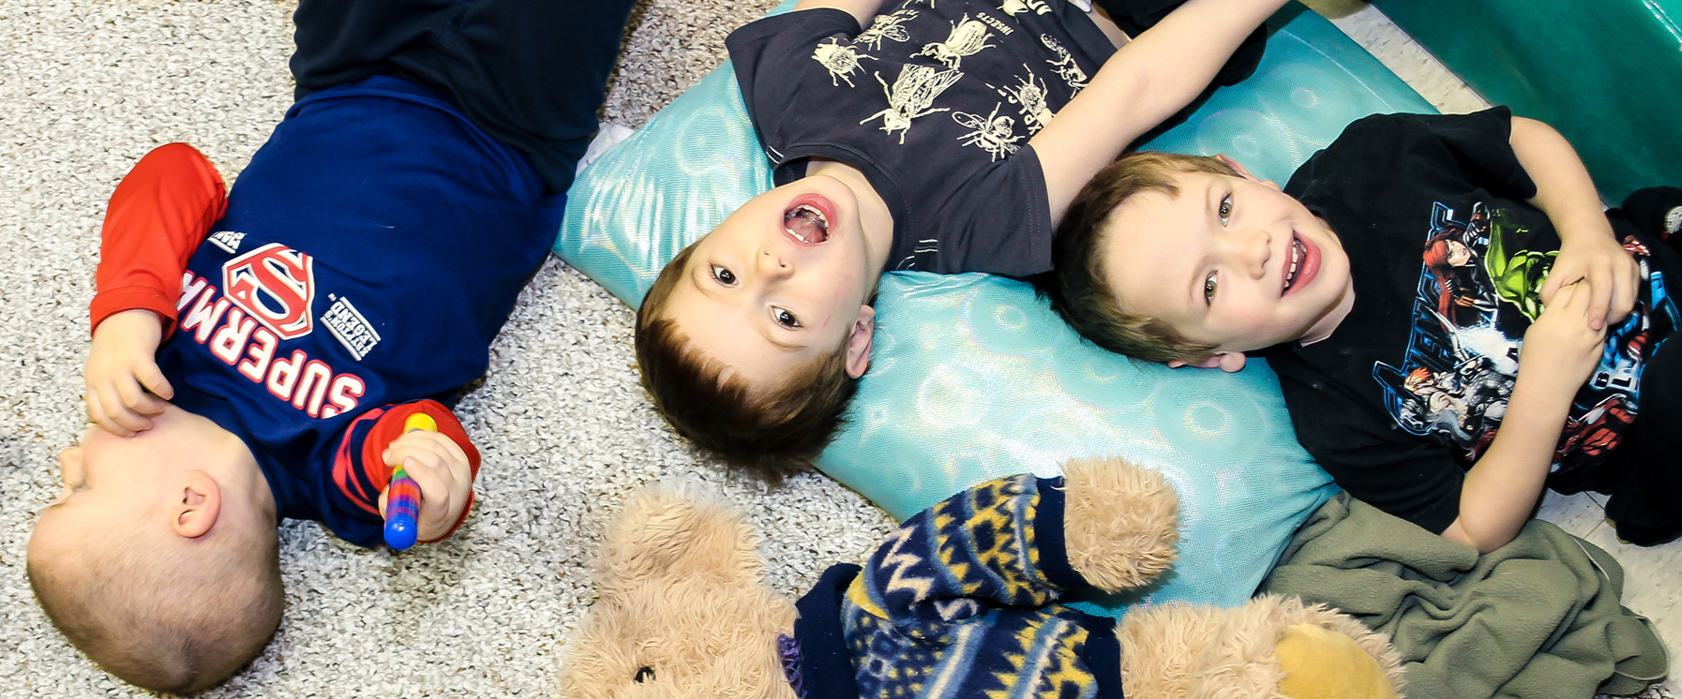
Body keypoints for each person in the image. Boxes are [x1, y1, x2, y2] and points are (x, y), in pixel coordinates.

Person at [24, 0, 637, 693]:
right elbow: (413, 438)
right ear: (190, 507)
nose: (68, 457)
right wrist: (430, 475)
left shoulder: (154, 352)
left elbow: (174, 171)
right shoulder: (331, 475)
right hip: (508, 130)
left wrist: (127, 307)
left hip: (350, 71)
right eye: (79, 486)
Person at [1041, 97, 1682, 553]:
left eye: (1226, 210)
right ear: (1209, 355)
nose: (1254, 249)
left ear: (1244, 175)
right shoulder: (1333, 415)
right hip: (1655, 438)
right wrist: (1542, 384)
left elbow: (1522, 142)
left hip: (1663, 248)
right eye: (1209, 284)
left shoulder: (1373, 154)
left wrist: (1584, 231)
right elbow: (1472, 528)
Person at [632, 0, 1285, 479]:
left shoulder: (784, 92)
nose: (769, 266)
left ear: (707, 237)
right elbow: (1136, 85)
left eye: (723, 276)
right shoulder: (982, 223)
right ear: (856, 336)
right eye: (783, 315)